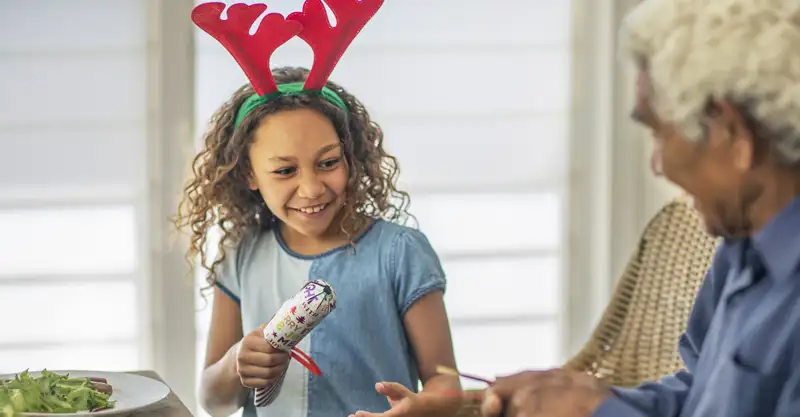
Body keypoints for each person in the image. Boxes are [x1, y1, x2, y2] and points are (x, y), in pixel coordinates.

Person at [480, 0, 800, 416]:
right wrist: (585, 400)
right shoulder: (740, 250)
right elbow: (698, 395)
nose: (657, 163)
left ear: (731, 132)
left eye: (659, 133)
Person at [175, 2, 461, 417]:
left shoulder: (400, 253)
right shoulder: (241, 256)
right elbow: (214, 402)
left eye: (328, 162)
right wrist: (238, 361)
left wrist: (421, 408)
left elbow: (446, 383)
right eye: (285, 170)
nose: (311, 188)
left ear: (352, 156)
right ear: (249, 174)